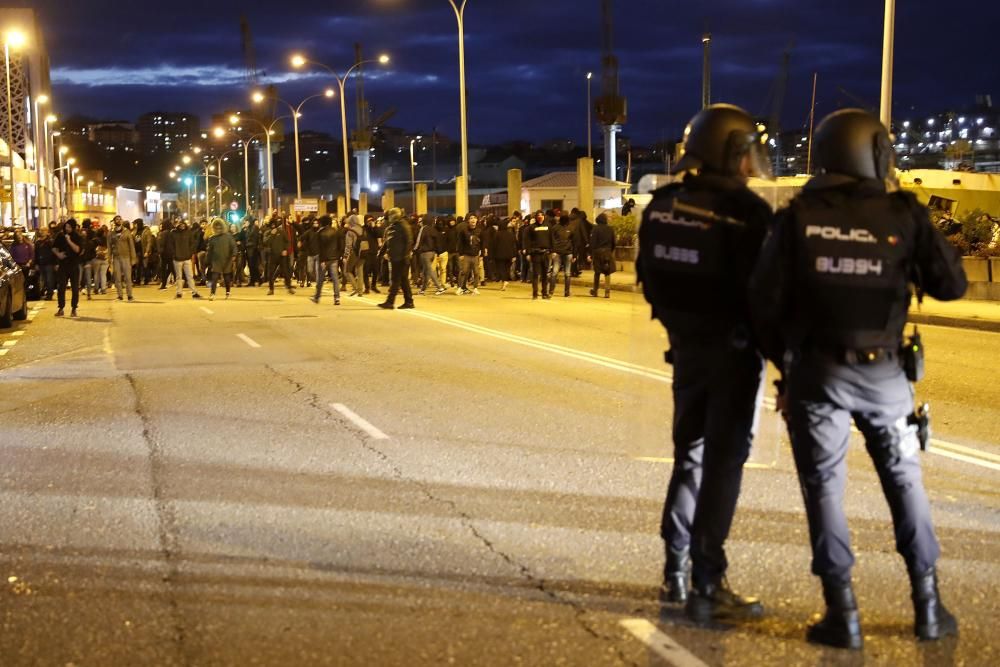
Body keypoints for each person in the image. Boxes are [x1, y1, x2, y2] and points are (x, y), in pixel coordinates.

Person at [748, 109, 967, 649]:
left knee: (824, 488)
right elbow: (952, 287)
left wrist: (788, 366)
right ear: (876, 153)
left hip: (818, 373)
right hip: (885, 372)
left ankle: (841, 614)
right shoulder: (903, 213)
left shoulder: (797, 217)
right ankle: (929, 606)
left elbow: (762, 306)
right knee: (904, 479)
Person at [636, 104, 773, 622]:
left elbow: (649, 279)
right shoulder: (747, 213)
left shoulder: (663, 204)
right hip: (734, 357)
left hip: (685, 353)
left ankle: (674, 567)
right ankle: (708, 582)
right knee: (722, 466)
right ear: (733, 153)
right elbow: (768, 295)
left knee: (687, 458)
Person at [377, 208, 414, 310]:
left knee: (396, 280)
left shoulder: (403, 225)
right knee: (403, 280)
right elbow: (387, 241)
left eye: (390, 215)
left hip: (401, 258)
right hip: (395, 257)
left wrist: (406, 255)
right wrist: (381, 252)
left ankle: (390, 301)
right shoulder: (392, 226)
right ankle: (409, 301)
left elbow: (409, 241)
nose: (388, 218)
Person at [52, 218, 84, 317]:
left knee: (74, 288)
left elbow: (77, 250)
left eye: (69, 227)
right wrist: (58, 254)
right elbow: (54, 247)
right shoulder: (60, 235)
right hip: (63, 265)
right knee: (61, 287)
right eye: (66, 226)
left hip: (74, 264)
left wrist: (69, 240)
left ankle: (74, 308)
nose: (67, 229)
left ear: (73, 227)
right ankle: (61, 308)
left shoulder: (77, 236)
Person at [312, 214, 345, 306]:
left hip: (324, 259)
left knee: (320, 279)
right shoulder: (336, 231)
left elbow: (319, 248)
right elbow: (340, 245)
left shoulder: (320, 233)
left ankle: (317, 297)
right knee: (335, 279)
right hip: (334, 258)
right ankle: (337, 298)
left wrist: (322, 260)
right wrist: (338, 255)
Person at [205, 218, 237, 300]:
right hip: (216, 260)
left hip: (227, 259)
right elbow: (209, 251)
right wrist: (207, 260)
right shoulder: (212, 238)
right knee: (214, 277)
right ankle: (212, 293)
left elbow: (233, 246)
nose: (218, 229)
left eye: (220, 227)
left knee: (227, 277)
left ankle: (228, 292)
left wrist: (233, 255)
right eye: (216, 227)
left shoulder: (228, 236)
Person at [524, 211, 554, 300]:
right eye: (538, 216)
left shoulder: (548, 226)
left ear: (544, 216)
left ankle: (544, 293)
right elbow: (528, 241)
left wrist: (553, 251)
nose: (540, 217)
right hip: (535, 253)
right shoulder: (532, 227)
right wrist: (528, 253)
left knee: (545, 275)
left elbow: (551, 239)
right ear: (536, 217)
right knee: (536, 274)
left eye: (541, 215)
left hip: (546, 253)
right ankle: (535, 294)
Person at [170, 218, 202, 299]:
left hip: (187, 258)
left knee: (190, 276)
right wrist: (174, 254)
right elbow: (171, 245)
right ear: (178, 225)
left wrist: (190, 253)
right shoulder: (173, 233)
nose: (182, 226)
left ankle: (194, 292)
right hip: (177, 259)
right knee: (178, 276)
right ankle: (179, 292)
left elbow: (192, 244)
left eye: (183, 224)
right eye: (181, 224)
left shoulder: (188, 233)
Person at [415, 215, 446, 295]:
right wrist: (438, 252)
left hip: (425, 253)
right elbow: (437, 242)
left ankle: (439, 288)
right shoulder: (433, 229)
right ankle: (422, 289)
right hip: (433, 253)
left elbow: (419, 240)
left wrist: (414, 249)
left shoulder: (423, 228)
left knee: (430, 270)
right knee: (425, 272)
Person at [108, 217, 137, 301]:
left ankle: (130, 295)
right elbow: (109, 246)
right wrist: (109, 258)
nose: (118, 220)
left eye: (119, 219)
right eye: (116, 219)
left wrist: (133, 258)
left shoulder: (126, 232)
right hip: (116, 257)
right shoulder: (111, 233)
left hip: (126, 257)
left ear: (121, 221)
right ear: (114, 221)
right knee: (117, 278)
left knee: (128, 277)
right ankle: (120, 295)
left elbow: (131, 245)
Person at [264, 218, 295, 295]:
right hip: (272, 255)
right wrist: (272, 234)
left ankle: (289, 287)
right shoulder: (268, 232)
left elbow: (287, 241)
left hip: (282, 256)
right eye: (272, 225)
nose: (273, 226)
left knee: (286, 272)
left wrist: (285, 250)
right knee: (270, 273)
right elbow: (266, 242)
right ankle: (271, 289)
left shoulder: (281, 231)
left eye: (274, 225)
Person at [589, 213, 616, 298]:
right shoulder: (610, 229)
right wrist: (610, 251)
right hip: (607, 252)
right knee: (607, 271)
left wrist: (591, 254)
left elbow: (592, 242)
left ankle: (595, 291)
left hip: (597, 252)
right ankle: (607, 292)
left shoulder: (595, 229)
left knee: (597, 272)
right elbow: (614, 242)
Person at [550, 214, 577, 297]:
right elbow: (551, 240)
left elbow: (574, 242)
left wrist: (574, 254)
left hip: (564, 253)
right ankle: (565, 292)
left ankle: (553, 291)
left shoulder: (556, 228)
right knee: (564, 273)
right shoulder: (567, 228)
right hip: (561, 252)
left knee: (557, 272)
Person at [456, 215, 482, 295]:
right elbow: (460, 243)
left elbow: (482, 242)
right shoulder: (464, 231)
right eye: (471, 218)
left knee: (476, 272)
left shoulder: (479, 230)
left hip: (475, 255)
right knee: (463, 271)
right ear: (468, 220)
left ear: (477, 220)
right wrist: (460, 254)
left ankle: (475, 288)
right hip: (466, 254)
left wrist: (482, 253)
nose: (473, 220)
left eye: (474, 218)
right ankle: (460, 288)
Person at [342, 214, 366, 298]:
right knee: (360, 272)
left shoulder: (350, 231)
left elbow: (348, 245)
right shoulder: (363, 229)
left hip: (354, 253)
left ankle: (356, 288)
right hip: (363, 252)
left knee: (347, 271)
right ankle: (360, 291)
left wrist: (345, 256)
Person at [491, 218, 517, 291]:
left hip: (499, 255)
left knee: (501, 269)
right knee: (507, 269)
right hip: (509, 255)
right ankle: (504, 283)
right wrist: (514, 255)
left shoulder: (497, 234)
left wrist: (492, 255)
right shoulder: (510, 234)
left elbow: (494, 245)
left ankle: (504, 281)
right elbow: (514, 245)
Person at [33, 227, 56, 300]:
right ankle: (47, 292)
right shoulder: (37, 242)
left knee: (49, 279)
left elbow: (54, 253)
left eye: (43, 230)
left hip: (49, 263)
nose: (42, 232)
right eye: (41, 230)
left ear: (47, 232)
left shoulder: (50, 241)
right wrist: (36, 264)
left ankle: (50, 294)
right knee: (44, 280)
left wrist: (56, 263)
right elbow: (36, 254)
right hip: (41, 263)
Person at [157, 220, 175, 290]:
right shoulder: (172, 232)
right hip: (171, 253)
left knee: (164, 269)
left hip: (164, 254)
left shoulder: (163, 233)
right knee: (171, 268)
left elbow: (161, 244)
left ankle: (163, 284)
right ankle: (180, 281)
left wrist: (160, 252)